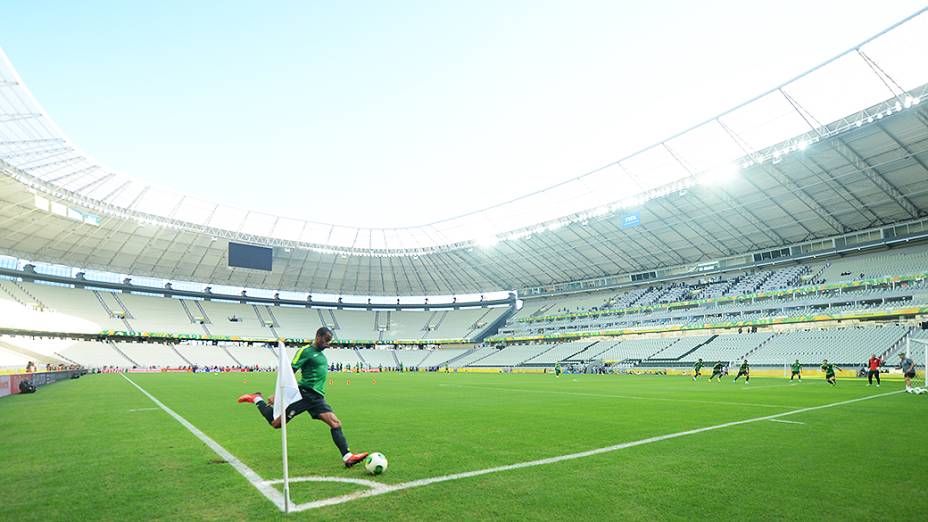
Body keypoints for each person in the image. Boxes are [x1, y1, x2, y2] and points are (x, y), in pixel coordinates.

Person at [237, 327, 368, 468]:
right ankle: (257, 398)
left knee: (335, 423)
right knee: (275, 423)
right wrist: (278, 393)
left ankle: (348, 457)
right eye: (326, 340)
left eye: (330, 341)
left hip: (317, 398)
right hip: (303, 395)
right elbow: (289, 371)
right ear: (318, 337)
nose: (328, 344)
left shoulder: (322, 356)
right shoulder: (306, 351)